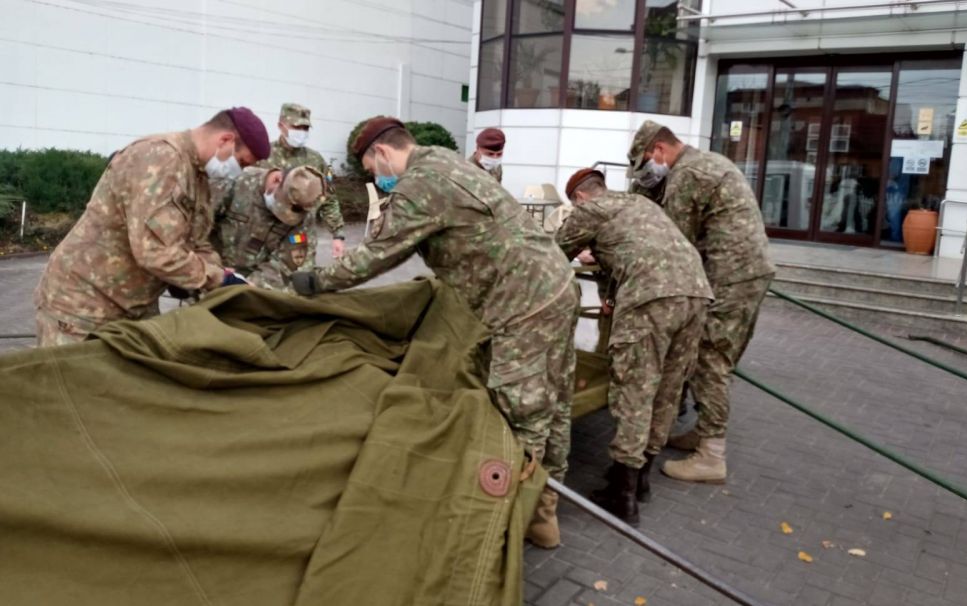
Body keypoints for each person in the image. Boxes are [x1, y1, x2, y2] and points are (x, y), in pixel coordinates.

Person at [291, 117, 577, 549]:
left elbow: (377, 255)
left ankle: (507, 526)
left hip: (524, 301)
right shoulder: (445, 161)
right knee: (554, 400)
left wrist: (314, 281)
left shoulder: (420, 184)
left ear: (383, 153)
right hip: (555, 284)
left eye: (371, 168)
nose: (376, 177)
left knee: (520, 412)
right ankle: (544, 514)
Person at [34, 107, 270, 347]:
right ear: (226, 140)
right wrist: (217, 279)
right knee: (72, 382)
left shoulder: (197, 176)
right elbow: (156, 253)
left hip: (131, 306)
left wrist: (227, 277)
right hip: (82, 305)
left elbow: (196, 241)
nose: (237, 172)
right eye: (241, 162)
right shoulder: (160, 158)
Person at [555, 169, 713, 525]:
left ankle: (622, 496)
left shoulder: (589, 211)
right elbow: (637, 249)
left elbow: (551, 253)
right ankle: (641, 478)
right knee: (667, 389)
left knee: (635, 390)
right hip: (697, 294)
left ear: (580, 197)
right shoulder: (639, 203)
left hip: (649, 298)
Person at [627, 120, 775, 484]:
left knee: (710, 356)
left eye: (645, 164)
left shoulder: (687, 175)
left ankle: (712, 454)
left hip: (730, 276)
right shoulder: (707, 162)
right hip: (744, 272)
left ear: (659, 150)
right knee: (709, 355)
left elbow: (673, 242)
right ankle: (702, 430)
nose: (648, 174)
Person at [211, 166, 324, 291]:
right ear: (277, 179)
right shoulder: (236, 183)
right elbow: (195, 229)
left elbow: (288, 263)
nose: (282, 216)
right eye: (280, 204)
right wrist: (213, 270)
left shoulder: (304, 214)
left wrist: (249, 285)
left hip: (256, 285)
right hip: (210, 272)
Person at [259, 103, 346, 258]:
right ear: (281, 125)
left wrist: (338, 235)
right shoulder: (263, 156)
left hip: (301, 243)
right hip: (266, 241)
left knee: (302, 281)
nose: (301, 132)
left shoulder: (314, 160)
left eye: (305, 129)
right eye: (296, 127)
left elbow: (328, 198)